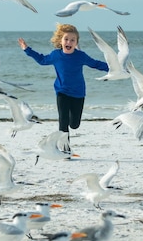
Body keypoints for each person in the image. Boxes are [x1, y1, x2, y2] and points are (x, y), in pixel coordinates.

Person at [18, 24, 108, 154]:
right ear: (61, 40)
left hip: (78, 93)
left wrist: (114, 67)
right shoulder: (56, 55)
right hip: (62, 92)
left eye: (72, 40)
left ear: (76, 43)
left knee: (74, 124)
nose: (69, 42)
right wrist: (27, 49)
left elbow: (96, 64)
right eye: (66, 39)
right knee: (63, 122)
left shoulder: (80, 56)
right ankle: (65, 151)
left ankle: (70, 128)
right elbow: (42, 60)